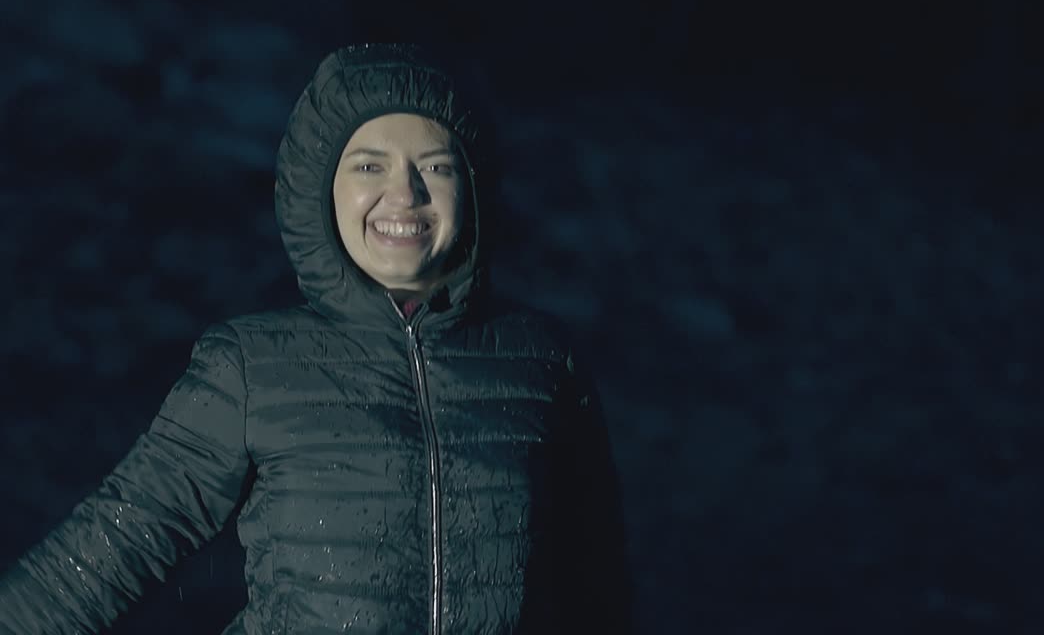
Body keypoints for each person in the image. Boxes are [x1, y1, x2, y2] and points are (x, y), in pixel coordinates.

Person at [0, 43, 632, 634]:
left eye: (435, 165)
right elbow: (114, 546)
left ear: (472, 186)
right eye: (369, 165)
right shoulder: (251, 367)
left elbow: (595, 583)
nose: (404, 193)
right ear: (320, 189)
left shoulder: (540, 361)